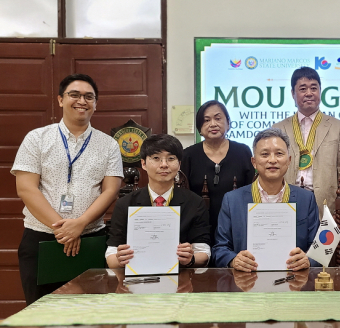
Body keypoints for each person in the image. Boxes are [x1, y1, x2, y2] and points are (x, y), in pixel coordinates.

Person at [11, 74, 123, 305]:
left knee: (89, 316)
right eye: (75, 95)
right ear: (61, 100)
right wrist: (63, 230)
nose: (82, 101)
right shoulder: (37, 138)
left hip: (90, 238)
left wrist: (80, 224)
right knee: (41, 314)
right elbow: (26, 188)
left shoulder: (109, 144)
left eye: (88, 97)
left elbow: (110, 191)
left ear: (95, 104)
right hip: (41, 239)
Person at [213, 128, 320, 271]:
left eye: (279, 154)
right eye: (265, 154)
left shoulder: (306, 199)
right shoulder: (232, 200)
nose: (272, 160)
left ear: (288, 161)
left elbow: (318, 249)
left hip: (294, 281)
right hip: (246, 281)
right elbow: (220, 248)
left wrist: (308, 260)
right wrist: (233, 260)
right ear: (254, 162)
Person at [106, 134, 211, 269]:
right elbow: (111, 255)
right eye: (156, 158)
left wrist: (191, 259)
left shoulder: (195, 203)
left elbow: (204, 251)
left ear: (179, 164)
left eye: (171, 159)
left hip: (181, 278)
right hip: (137, 277)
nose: (164, 165)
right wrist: (119, 260)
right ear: (143, 163)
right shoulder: (125, 204)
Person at [273, 66, 340, 218]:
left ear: (320, 91)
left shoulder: (338, 127)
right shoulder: (278, 128)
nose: (309, 93)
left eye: (314, 88)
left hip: (326, 203)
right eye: (303, 89)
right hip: (286, 201)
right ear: (293, 93)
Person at [182, 100, 254, 251]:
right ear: (199, 128)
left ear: (228, 123)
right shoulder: (188, 155)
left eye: (218, 118)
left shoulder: (243, 152)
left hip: (237, 224)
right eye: (206, 120)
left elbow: (251, 192)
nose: (213, 124)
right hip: (199, 227)